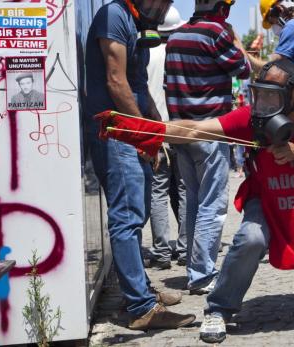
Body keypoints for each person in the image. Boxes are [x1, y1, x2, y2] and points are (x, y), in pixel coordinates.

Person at [97, 58, 294, 344]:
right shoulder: (253, 117)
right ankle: (219, 309)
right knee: (249, 240)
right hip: (266, 201)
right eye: (259, 94)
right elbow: (194, 131)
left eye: (271, 96)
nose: (262, 104)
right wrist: (140, 129)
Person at [83, 0, 195, 330]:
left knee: (139, 209)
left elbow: (139, 85)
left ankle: (138, 289)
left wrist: (159, 129)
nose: (168, 5)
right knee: (127, 215)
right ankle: (140, 306)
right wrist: (144, 135)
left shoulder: (137, 22)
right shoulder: (114, 16)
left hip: (131, 130)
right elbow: (116, 82)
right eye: (166, 1)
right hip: (115, 131)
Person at [165, 0, 251, 295]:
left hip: (181, 132)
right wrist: (236, 39)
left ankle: (194, 267)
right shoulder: (217, 33)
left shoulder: (175, 36)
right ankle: (201, 274)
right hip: (210, 131)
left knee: (192, 200)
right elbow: (243, 69)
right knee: (211, 205)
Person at [144, 6, 188, 270]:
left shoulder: (143, 53)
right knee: (183, 189)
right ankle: (184, 248)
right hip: (179, 129)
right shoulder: (177, 53)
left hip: (153, 129)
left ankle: (161, 251)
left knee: (158, 191)